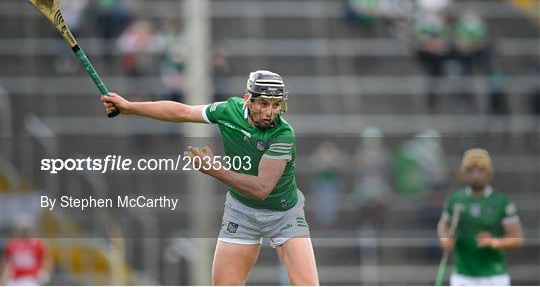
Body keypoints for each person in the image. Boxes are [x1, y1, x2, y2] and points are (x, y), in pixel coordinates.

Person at [101, 70, 319, 285]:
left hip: (284, 214)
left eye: (276, 104)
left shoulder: (283, 134)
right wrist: (130, 107)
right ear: (248, 100)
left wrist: (215, 170)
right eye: (263, 103)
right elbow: (183, 112)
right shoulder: (228, 110)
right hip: (241, 211)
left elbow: (261, 189)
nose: (270, 112)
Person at [437, 148, 523, 286]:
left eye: (480, 170)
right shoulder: (455, 200)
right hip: (463, 275)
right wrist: (445, 238)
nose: (476, 175)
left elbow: (517, 239)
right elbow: (444, 224)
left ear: (488, 172)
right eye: (471, 171)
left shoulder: (501, 202)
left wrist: (494, 242)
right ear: (464, 173)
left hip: (494, 275)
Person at [0, 215, 54, 286]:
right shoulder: (12, 244)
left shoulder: (38, 244)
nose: (25, 232)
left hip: (31, 278)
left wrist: (46, 273)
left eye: (26, 230)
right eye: (23, 230)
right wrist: (3, 276)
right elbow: (5, 261)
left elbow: (47, 259)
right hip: (15, 278)